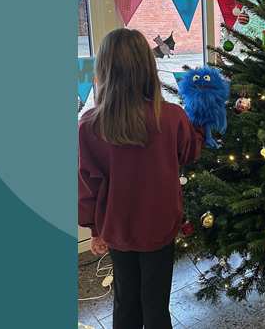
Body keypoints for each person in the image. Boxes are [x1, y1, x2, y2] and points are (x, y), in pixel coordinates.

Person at [78, 28, 205, 329]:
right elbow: (190, 153)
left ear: (104, 70)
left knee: (125, 299)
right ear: (148, 68)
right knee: (156, 303)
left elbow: (87, 186)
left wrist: (95, 230)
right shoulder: (173, 116)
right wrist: (200, 124)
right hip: (160, 226)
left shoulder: (89, 125)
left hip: (117, 229)